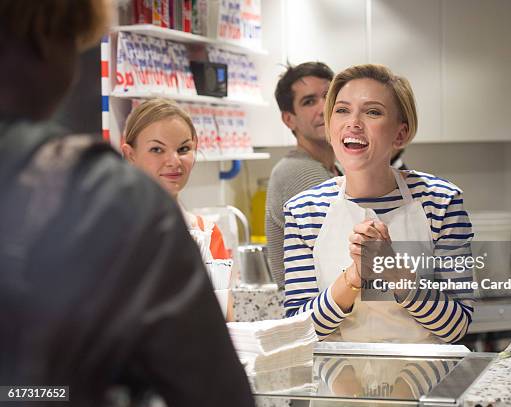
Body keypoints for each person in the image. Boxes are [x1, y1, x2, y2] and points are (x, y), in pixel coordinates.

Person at [0, 2, 254, 406]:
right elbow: (214, 391)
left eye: (184, 149)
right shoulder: (111, 198)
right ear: (49, 41)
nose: (174, 161)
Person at [283, 64, 474, 344]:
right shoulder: (304, 211)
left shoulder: (441, 202)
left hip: (424, 379)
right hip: (336, 380)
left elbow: (455, 328)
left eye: (372, 112)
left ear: (400, 134)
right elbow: (298, 331)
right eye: (342, 110)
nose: (353, 122)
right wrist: (354, 277)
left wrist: (394, 271)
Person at [121, 98, 230, 261]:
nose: (174, 161)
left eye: (183, 149)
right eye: (157, 149)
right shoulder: (112, 233)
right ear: (130, 155)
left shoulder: (208, 234)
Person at [265, 62, 341, 288]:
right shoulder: (297, 171)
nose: (324, 107)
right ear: (289, 119)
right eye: (309, 101)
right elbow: (348, 248)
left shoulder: (336, 168)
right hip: (316, 315)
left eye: (329, 96)